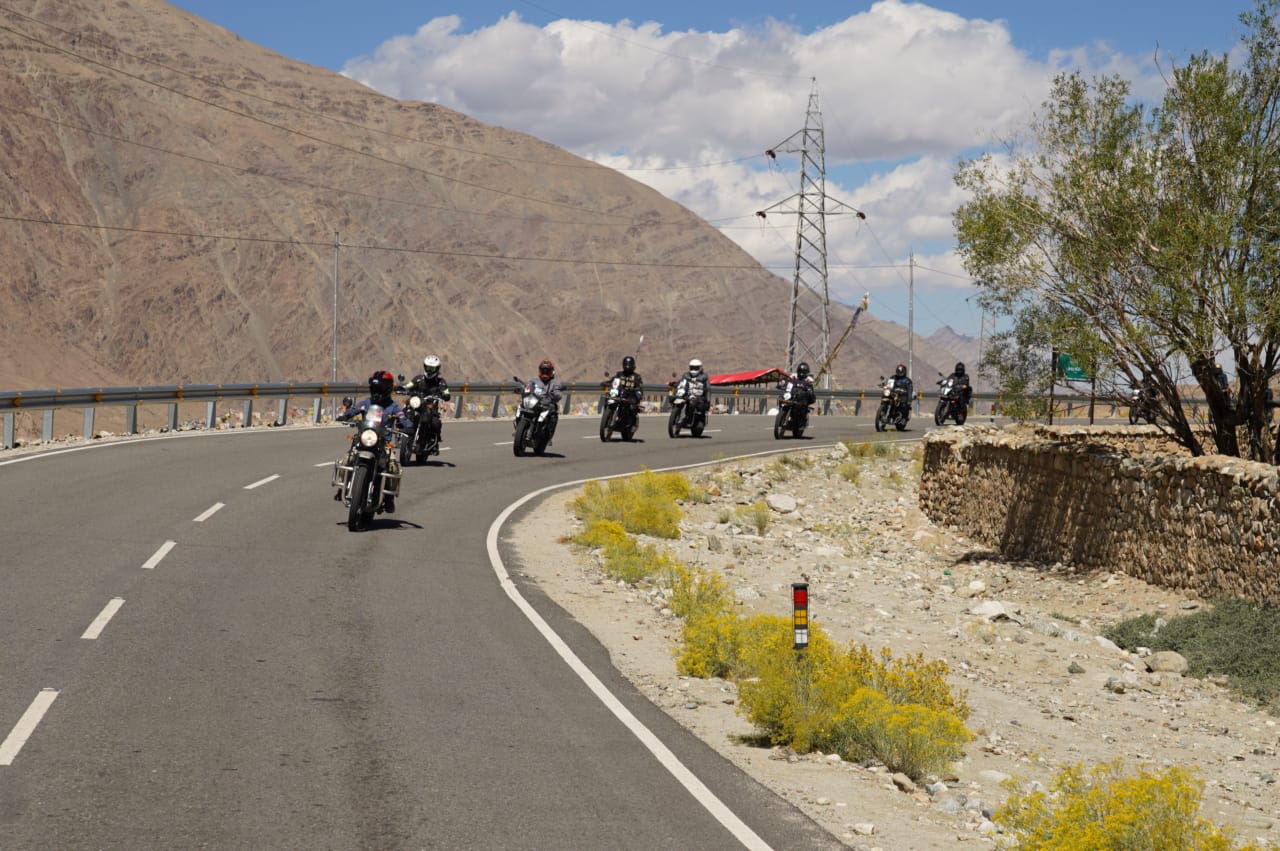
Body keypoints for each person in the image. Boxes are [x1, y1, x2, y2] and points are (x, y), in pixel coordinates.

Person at [336, 370, 403, 511]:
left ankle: (389, 498)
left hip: (384, 444)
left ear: (387, 389)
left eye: (380, 389)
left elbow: (402, 416)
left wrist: (407, 425)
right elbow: (354, 410)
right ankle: (341, 487)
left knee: (393, 466)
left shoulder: (393, 406)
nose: (377, 392)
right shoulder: (365, 403)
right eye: (375, 388)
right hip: (364, 439)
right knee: (347, 459)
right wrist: (345, 416)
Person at [398, 354, 451, 455]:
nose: (429, 370)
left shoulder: (441, 382)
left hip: (430, 407)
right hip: (416, 404)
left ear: (437, 369)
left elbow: (446, 392)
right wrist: (402, 388)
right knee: (403, 413)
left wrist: (445, 395)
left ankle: (435, 442)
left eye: (432, 368)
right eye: (428, 368)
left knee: (435, 422)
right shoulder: (418, 379)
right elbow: (409, 385)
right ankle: (400, 433)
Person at [528, 359, 565, 442]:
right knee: (522, 406)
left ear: (551, 371)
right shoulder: (534, 380)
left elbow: (558, 393)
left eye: (547, 371)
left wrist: (556, 394)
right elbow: (528, 386)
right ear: (540, 370)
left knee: (553, 413)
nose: (545, 372)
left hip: (547, 404)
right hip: (534, 402)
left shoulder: (555, 382)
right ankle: (520, 426)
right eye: (543, 370)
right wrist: (522, 389)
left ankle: (548, 437)